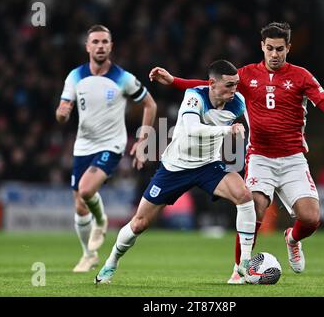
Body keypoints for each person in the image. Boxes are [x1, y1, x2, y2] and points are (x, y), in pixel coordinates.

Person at [149, 22, 324, 284]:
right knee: (253, 206)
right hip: (260, 157)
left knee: (311, 218)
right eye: (269, 48)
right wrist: (174, 81)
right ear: (262, 46)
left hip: (293, 159)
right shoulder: (246, 75)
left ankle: (292, 239)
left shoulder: (302, 77)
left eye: (280, 49)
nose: (274, 54)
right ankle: (239, 269)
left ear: (288, 48)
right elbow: (209, 84)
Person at [95, 59, 257, 284]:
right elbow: (192, 130)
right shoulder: (194, 96)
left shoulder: (238, 102)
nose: (234, 90)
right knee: (139, 223)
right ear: (212, 84)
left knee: (244, 196)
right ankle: (111, 263)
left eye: (236, 85)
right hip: (175, 168)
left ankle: (244, 266)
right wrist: (227, 130)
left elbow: (256, 125)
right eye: (229, 85)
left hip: (208, 165)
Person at [56, 25, 157, 272]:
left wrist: (144, 140)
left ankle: (101, 221)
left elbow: (150, 105)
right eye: (96, 42)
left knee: (86, 190)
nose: (100, 46)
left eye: (105, 42)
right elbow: (63, 111)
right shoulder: (75, 76)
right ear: (88, 47)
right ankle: (89, 255)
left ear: (111, 46)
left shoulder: (123, 77)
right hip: (83, 145)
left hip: (111, 144)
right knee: (80, 205)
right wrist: (61, 114)